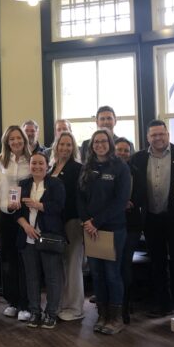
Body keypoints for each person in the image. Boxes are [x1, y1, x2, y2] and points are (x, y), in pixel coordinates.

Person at [130, 121, 174, 318]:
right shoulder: (138, 158)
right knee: (157, 263)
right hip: (151, 219)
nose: (158, 138)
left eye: (161, 134)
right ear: (148, 137)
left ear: (168, 134)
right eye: (154, 135)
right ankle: (162, 304)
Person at [78, 129, 130, 335]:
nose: (99, 145)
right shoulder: (87, 167)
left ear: (110, 143)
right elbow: (79, 197)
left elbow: (121, 200)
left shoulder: (120, 167)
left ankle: (116, 318)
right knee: (97, 274)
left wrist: (96, 222)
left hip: (112, 229)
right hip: (90, 230)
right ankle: (102, 315)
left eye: (103, 141)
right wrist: (86, 221)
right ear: (91, 146)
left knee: (112, 274)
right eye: (96, 142)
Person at [17, 152, 66, 329]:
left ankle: (51, 313)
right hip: (28, 237)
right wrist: (26, 226)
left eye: (40, 163)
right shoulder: (23, 184)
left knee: (52, 278)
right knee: (32, 278)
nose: (37, 166)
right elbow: (16, 211)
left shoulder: (56, 183)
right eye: (34, 163)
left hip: (49, 237)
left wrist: (38, 205)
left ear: (47, 166)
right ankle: (35, 312)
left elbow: (59, 207)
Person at [0, 125, 31, 321]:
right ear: (6, 142)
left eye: (19, 138)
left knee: (26, 261)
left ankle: (26, 304)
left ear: (24, 139)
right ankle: (12, 302)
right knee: (8, 260)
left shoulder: (32, 160)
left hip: (27, 215)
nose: (16, 142)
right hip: (6, 215)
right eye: (11, 139)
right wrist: (6, 206)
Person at [49, 131, 84, 322]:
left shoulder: (78, 168)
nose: (65, 148)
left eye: (69, 145)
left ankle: (75, 307)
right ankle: (62, 303)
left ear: (73, 148)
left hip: (72, 222)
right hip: (55, 224)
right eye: (62, 144)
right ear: (56, 146)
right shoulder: (52, 167)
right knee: (59, 266)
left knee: (72, 265)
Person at [114, 137, 144, 323]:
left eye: (126, 150)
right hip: (110, 224)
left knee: (125, 265)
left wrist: (129, 203)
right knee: (112, 266)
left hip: (131, 225)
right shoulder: (106, 170)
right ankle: (111, 305)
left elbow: (142, 194)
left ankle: (124, 307)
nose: (123, 153)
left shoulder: (137, 172)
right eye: (119, 150)